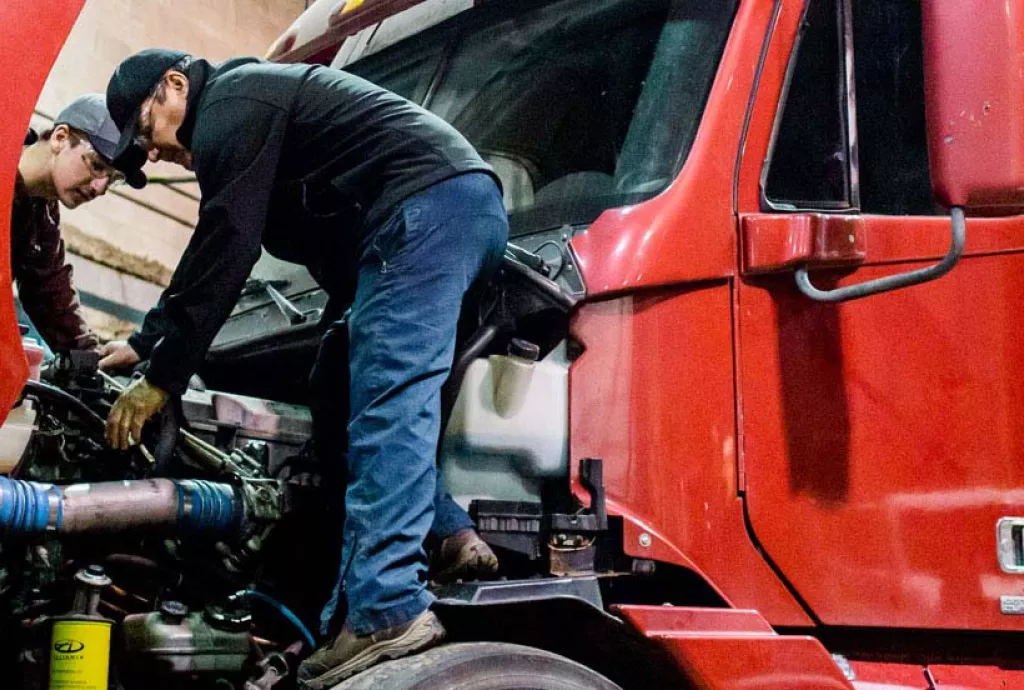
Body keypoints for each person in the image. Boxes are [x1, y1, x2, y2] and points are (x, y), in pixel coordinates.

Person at [98, 49, 507, 686]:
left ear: (175, 87)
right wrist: (149, 341)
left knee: (386, 399)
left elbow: (225, 244)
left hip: (427, 210)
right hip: (431, 216)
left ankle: (386, 610)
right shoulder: (256, 114)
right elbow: (236, 250)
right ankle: (448, 532)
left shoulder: (233, 102)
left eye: (147, 134)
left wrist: (161, 379)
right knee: (338, 388)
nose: (154, 153)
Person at [13, 94, 146, 354]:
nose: (100, 187)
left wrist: (89, 358)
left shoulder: (42, 217)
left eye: (113, 179)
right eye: (97, 165)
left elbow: (50, 291)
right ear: (60, 137)